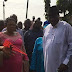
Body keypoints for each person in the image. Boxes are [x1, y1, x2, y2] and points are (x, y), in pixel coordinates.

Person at [43, 6, 72, 72]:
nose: (52, 19)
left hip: (62, 68)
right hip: (49, 67)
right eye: (50, 17)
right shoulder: (46, 29)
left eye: (54, 16)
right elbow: (45, 49)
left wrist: (65, 63)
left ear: (58, 15)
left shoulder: (66, 27)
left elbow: (71, 47)